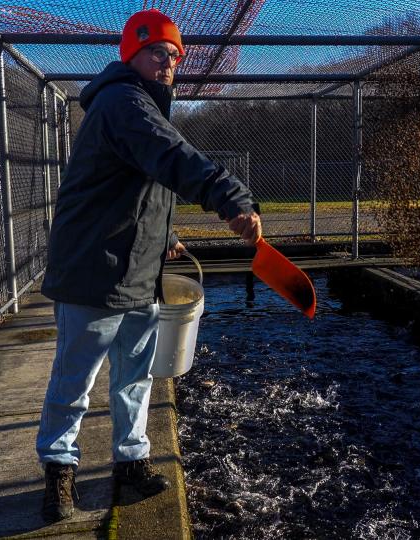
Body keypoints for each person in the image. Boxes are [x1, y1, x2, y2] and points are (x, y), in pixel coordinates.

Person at [35, 8, 262, 524]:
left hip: (137, 272)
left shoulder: (141, 107)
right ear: (130, 54)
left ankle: (130, 465)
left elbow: (145, 189)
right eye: (157, 52)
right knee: (74, 381)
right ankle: (58, 474)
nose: (168, 63)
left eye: (174, 56)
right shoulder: (122, 102)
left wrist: (168, 238)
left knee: (134, 378)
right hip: (93, 270)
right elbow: (171, 156)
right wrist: (229, 198)